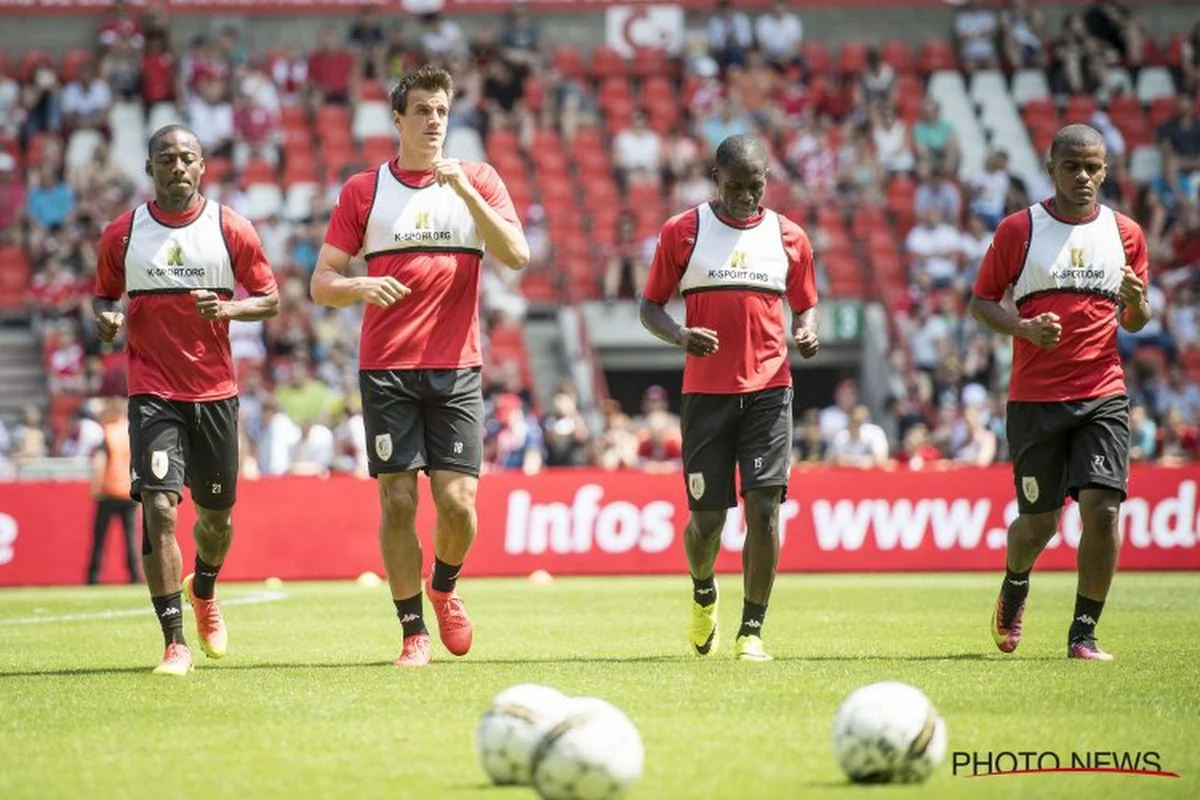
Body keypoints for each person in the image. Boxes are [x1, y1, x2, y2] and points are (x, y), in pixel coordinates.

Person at [311, 65, 529, 668]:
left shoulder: (478, 179)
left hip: (458, 367)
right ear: (399, 119)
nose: (434, 121)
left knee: (459, 505)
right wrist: (360, 285)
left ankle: (445, 586)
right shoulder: (364, 190)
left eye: (442, 110)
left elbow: (517, 254)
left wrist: (464, 194)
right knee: (399, 502)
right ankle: (412, 631)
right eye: (423, 111)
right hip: (387, 368)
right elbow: (320, 283)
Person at [93, 125, 280, 676]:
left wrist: (228, 311)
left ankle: (205, 588)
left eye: (187, 158)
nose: (177, 167)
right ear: (150, 167)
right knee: (158, 507)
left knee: (217, 521)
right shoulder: (124, 234)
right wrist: (105, 318)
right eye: (166, 159)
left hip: (216, 393)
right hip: (153, 391)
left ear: (202, 167)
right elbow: (104, 293)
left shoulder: (231, 229)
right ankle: (174, 641)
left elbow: (268, 300)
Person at [969, 124, 1151, 661]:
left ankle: (1084, 633)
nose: (1084, 177)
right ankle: (1015, 584)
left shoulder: (1126, 234)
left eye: (1094, 167)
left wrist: (1139, 303)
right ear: (1051, 169)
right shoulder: (1018, 229)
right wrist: (1023, 329)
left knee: (1103, 511)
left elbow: (1136, 320)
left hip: (1103, 392)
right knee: (1039, 524)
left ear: (1106, 170)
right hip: (1035, 399)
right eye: (1072, 167)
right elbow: (981, 302)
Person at [640, 133, 820, 662]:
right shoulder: (683, 231)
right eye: (736, 185)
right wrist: (680, 335)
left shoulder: (789, 237)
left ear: (768, 180)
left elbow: (807, 306)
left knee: (764, 509)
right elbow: (650, 307)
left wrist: (806, 330)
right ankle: (703, 591)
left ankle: (752, 632)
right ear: (715, 179)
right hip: (705, 395)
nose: (746, 195)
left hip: (769, 389)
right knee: (707, 523)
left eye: (756, 185)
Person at [86, 397, 140, 585]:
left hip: (108, 491)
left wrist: (95, 487)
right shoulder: (132, 433)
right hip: (129, 491)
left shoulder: (107, 433)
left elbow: (99, 462)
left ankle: (93, 576)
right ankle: (134, 575)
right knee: (130, 537)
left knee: (100, 538)